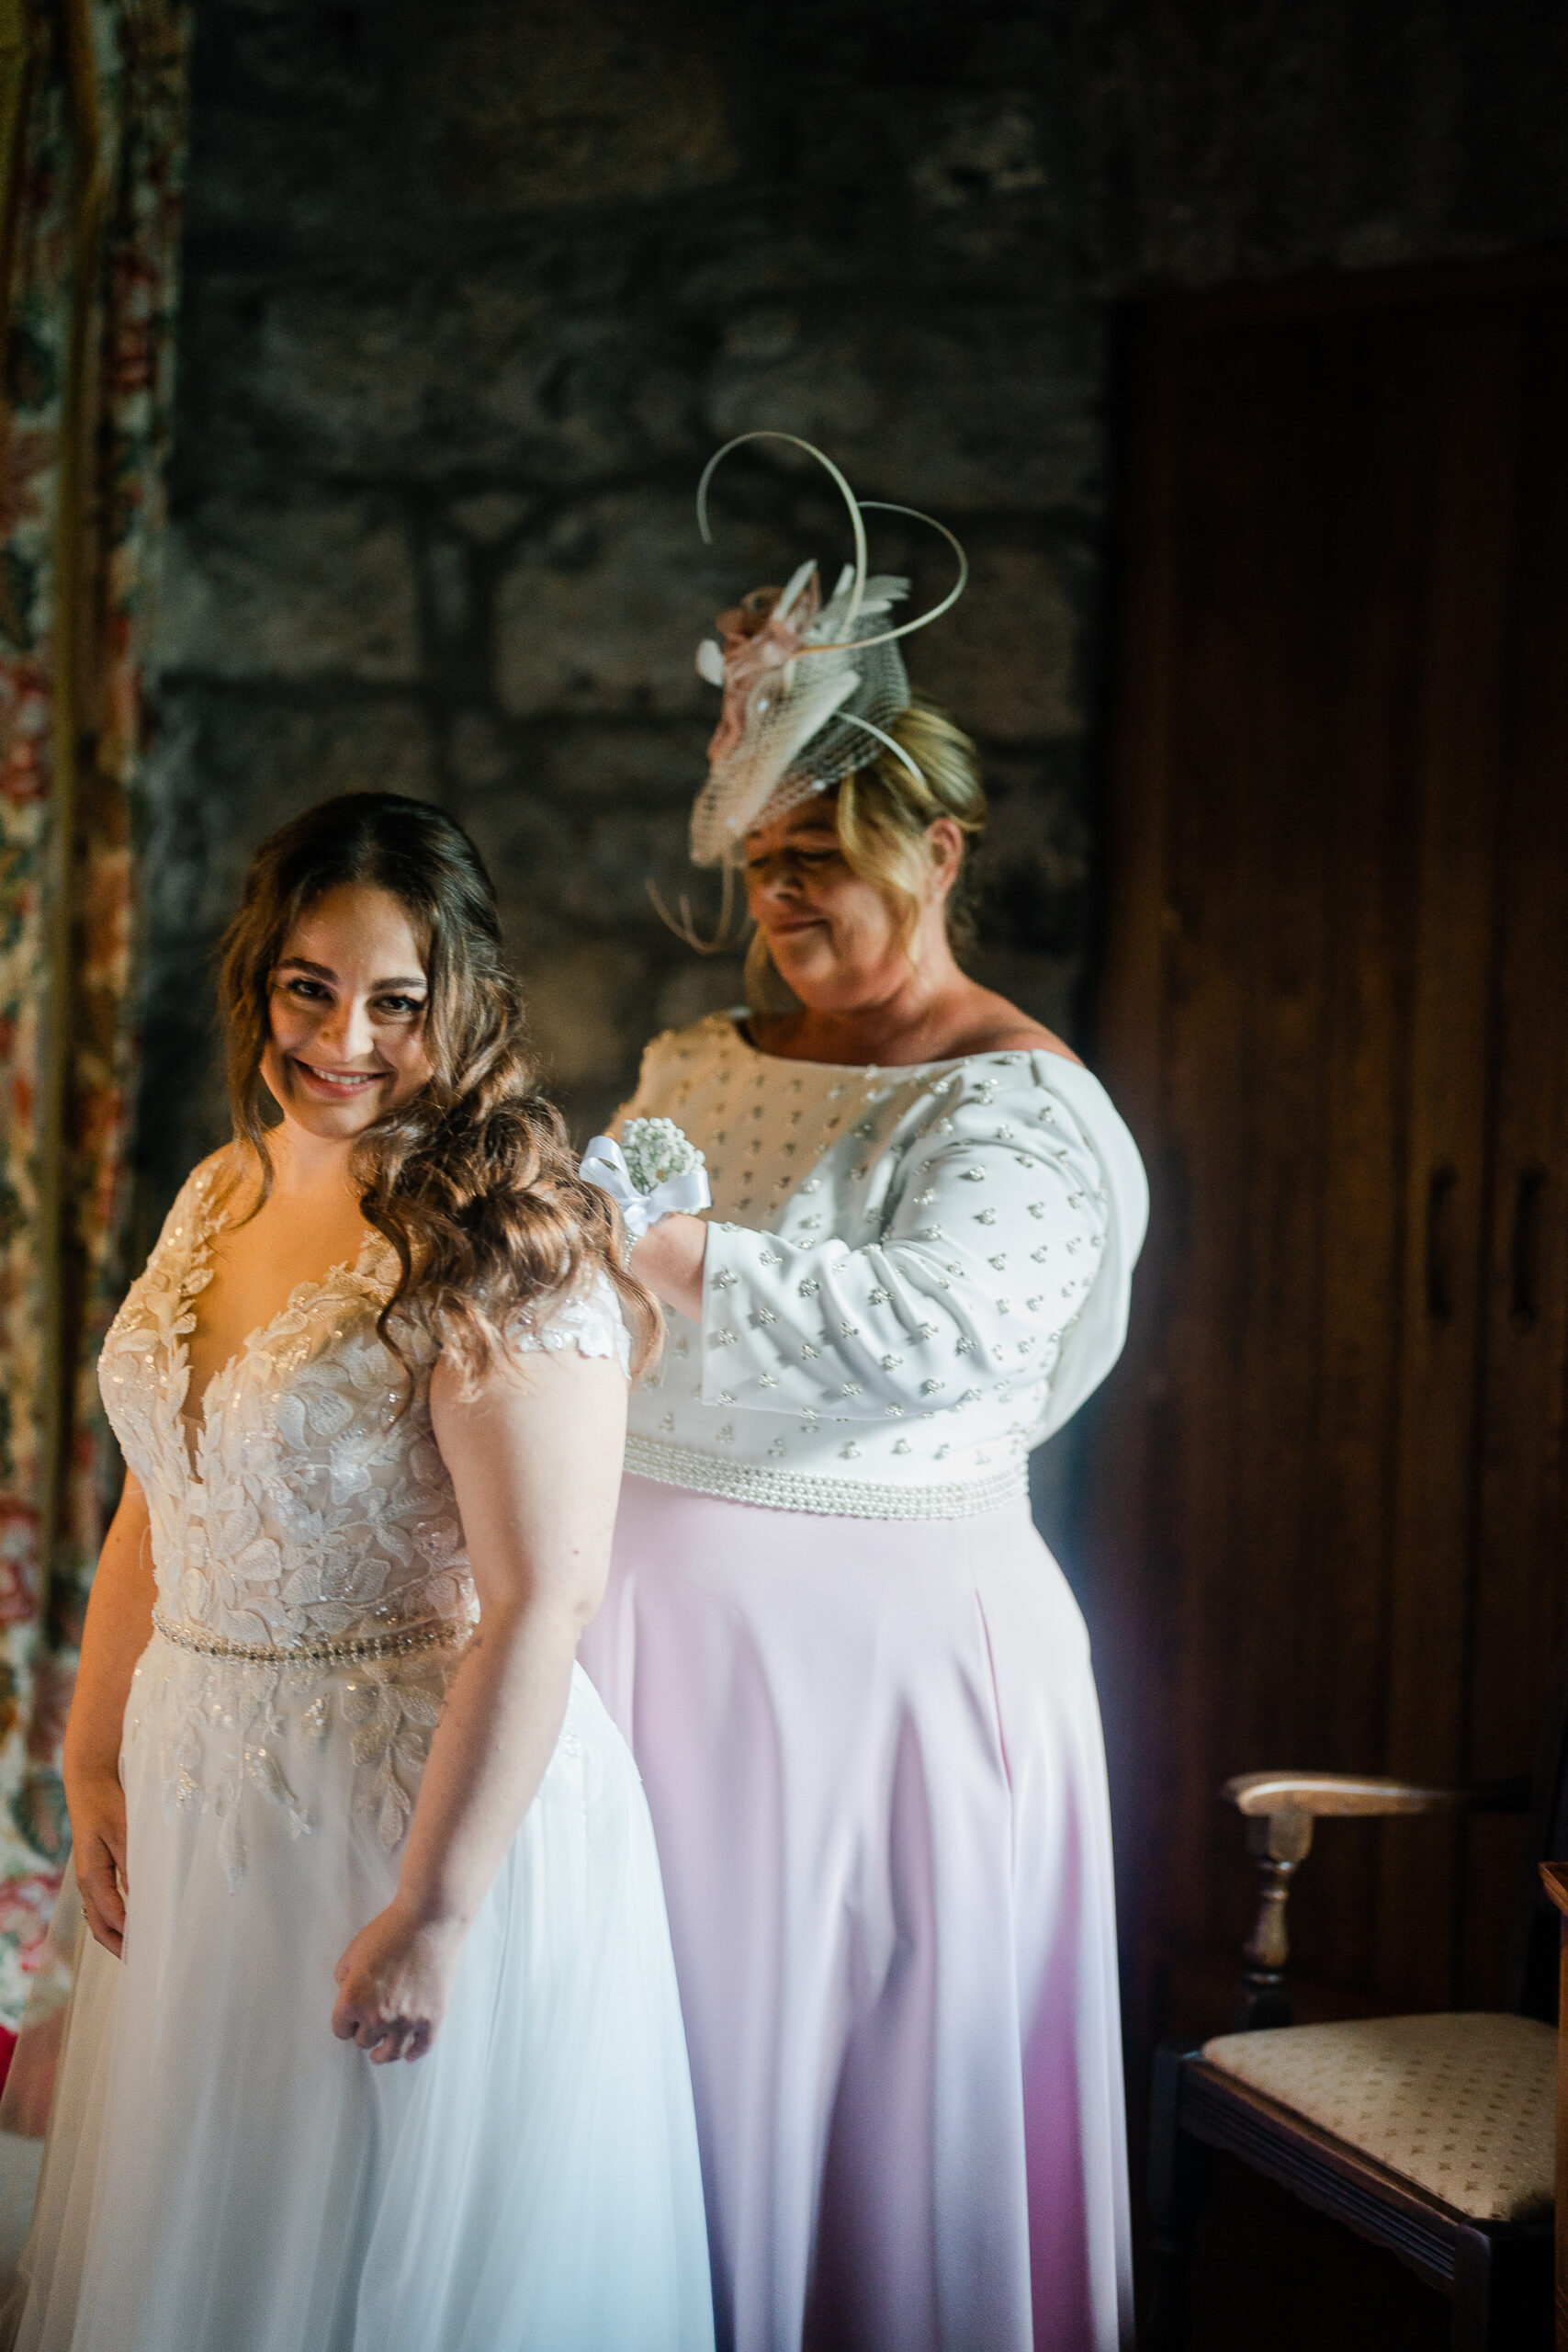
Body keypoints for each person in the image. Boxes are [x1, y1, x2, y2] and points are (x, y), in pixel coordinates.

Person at [2, 795, 714, 2352]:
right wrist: (92, 1744)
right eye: (309, 986)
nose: (344, 1038)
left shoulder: (501, 1239)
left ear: (461, 1005)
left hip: (401, 1813)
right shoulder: (223, 1186)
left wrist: (438, 1915)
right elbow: (163, 1488)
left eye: (397, 1001)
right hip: (202, 1788)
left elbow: (545, 1600)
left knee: (358, 2266)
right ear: (261, 977)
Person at [579, 439, 1147, 2351]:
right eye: (757, 869)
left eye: (817, 860)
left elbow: (940, 1324)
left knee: (860, 2101)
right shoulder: (694, 1052)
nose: (783, 906)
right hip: (645, 1642)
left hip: (882, 1671)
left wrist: (659, 1254)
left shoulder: (1011, 1104)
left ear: (940, 850)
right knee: (641, 2078)